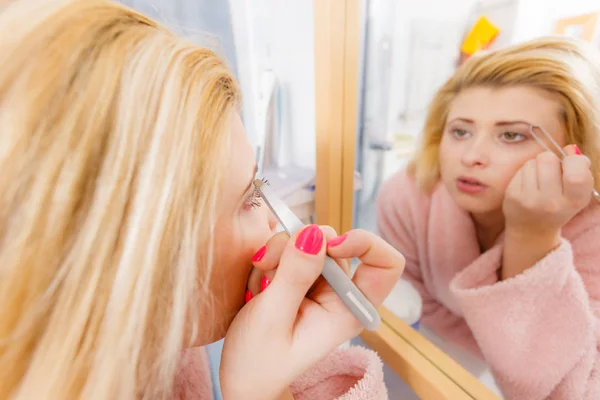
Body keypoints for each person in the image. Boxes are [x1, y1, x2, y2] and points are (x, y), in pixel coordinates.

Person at [0, 1, 405, 399]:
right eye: (250, 198)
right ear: (126, 256)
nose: (273, 226)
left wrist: (267, 385)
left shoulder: (156, 355)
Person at [377, 36, 600, 399]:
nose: (472, 156)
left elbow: (577, 389)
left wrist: (534, 238)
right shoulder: (407, 196)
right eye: (460, 131)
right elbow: (417, 298)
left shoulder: (593, 228)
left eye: (511, 135)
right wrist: (500, 353)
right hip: (442, 355)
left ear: (574, 151)